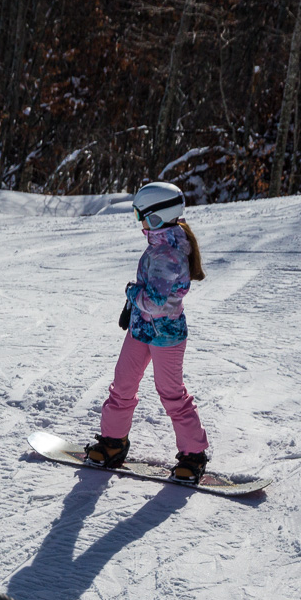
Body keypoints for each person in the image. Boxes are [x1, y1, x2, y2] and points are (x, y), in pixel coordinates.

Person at [85, 182, 212, 483]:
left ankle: (194, 456)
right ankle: (113, 442)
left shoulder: (168, 253)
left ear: (156, 216)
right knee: (123, 383)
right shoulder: (159, 243)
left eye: (140, 215)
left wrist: (132, 293)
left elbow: (155, 303)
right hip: (141, 329)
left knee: (171, 394)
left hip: (165, 334)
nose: (139, 221)